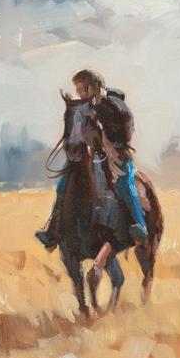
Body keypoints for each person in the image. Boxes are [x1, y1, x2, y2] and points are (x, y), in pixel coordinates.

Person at [35, 69, 149, 250]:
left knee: (124, 183)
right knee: (63, 184)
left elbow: (127, 131)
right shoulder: (85, 106)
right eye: (78, 89)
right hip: (91, 154)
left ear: (92, 87)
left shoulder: (116, 105)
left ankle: (139, 224)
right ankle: (53, 231)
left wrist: (111, 144)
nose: (79, 93)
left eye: (81, 89)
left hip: (117, 154)